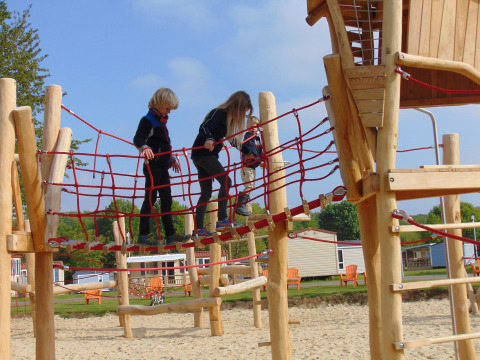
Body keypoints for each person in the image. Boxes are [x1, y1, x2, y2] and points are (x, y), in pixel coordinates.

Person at [191, 91, 253, 237]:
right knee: (227, 181)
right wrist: (209, 139)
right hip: (203, 153)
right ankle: (222, 219)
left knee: (206, 193)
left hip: (204, 155)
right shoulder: (218, 113)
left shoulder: (228, 120)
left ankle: (198, 229)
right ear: (234, 105)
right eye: (242, 111)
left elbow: (232, 140)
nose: (241, 116)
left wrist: (246, 151)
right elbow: (205, 127)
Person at [133, 87, 185, 246]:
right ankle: (143, 235)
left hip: (163, 166)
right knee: (150, 199)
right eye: (168, 108)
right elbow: (138, 138)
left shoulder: (162, 122)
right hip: (152, 166)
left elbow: (163, 145)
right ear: (159, 103)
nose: (169, 112)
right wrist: (144, 147)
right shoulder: (147, 120)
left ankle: (170, 234)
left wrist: (171, 158)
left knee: (167, 200)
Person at [235, 116, 264, 216]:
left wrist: (262, 159)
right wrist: (259, 161)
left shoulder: (257, 138)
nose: (253, 128)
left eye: (255, 126)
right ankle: (240, 205)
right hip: (247, 166)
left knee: (250, 186)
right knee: (249, 186)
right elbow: (252, 151)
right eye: (250, 126)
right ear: (247, 127)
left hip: (252, 167)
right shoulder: (248, 137)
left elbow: (260, 151)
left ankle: (241, 205)